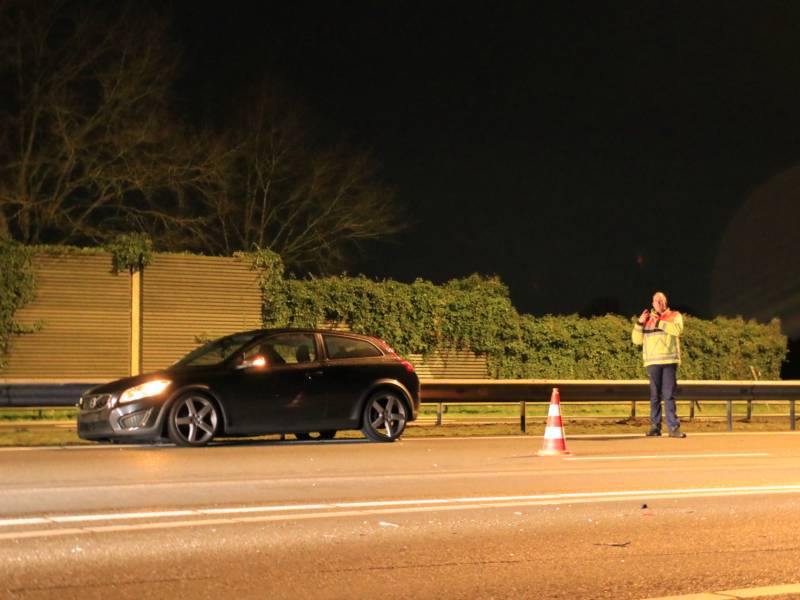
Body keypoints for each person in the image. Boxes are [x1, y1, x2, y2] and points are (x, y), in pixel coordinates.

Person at [631, 291, 686, 438]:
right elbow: (636, 340)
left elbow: (678, 330)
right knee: (655, 396)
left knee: (668, 395)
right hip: (652, 362)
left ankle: (673, 428)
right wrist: (639, 322)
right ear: (653, 304)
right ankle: (655, 427)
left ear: (666, 302)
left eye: (662, 301)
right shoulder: (647, 319)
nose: (660, 303)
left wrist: (658, 323)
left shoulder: (675, 315)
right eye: (657, 301)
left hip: (669, 361)